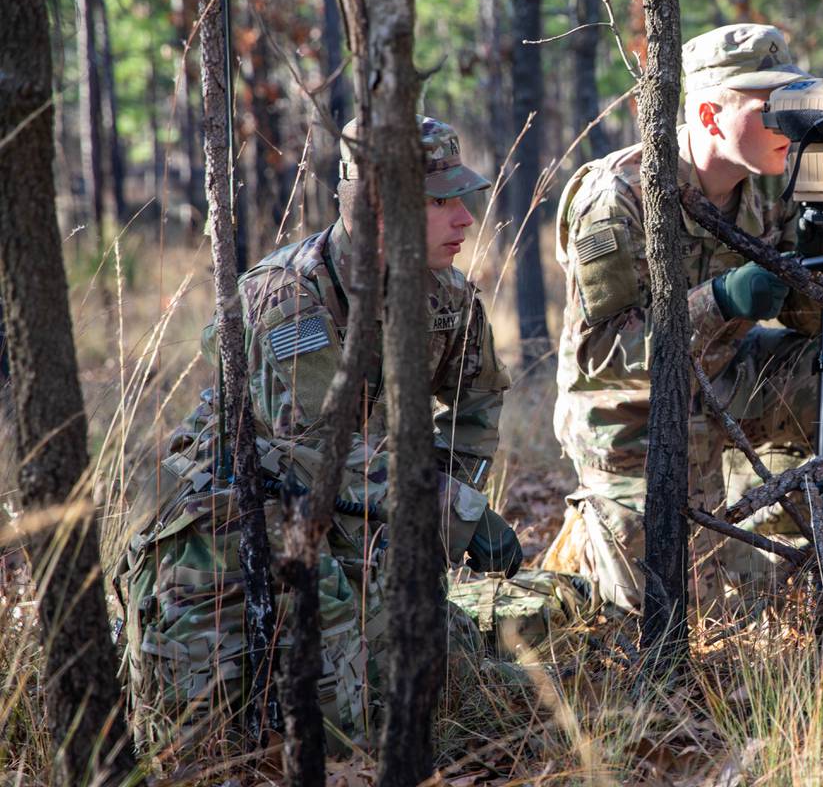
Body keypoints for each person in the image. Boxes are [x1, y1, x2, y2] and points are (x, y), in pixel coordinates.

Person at [116, 116, 521, 753]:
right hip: (240, 520)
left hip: (358, 511)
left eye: (460, 199)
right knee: (323, 709)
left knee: (452, 667)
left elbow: (478, 403)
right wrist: (458, 511)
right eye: (440, 201)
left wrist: (443, 512)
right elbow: (309, 452)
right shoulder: (289, 297)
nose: (466, 219)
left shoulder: (445, 294)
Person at [541, 24, 823, 611]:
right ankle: (589, 545)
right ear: (710, 116)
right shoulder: (620, 197)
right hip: (635, 417)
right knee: (676, 616)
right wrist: (722, 301)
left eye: (796, 101)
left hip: (730, 382)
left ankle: (812, 563)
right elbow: (602, 359)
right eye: (771, 107)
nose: (789, 122)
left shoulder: (777, 184)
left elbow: (816, 321)